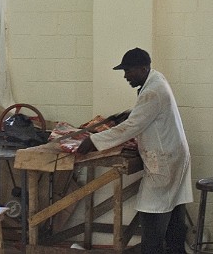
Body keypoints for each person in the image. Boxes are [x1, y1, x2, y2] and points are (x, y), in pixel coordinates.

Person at [77, 47, 193, 254]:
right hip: (174, 154)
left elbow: (132, 127)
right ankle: (176, 250)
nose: (125, 76)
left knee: (151, 213)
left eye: (129, 71)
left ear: (143, 68)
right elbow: (145, 114)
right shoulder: (157, 79)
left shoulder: (152, 91)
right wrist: (129, 113)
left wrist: (93, 141)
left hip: (165, 160)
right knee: (174, 211)